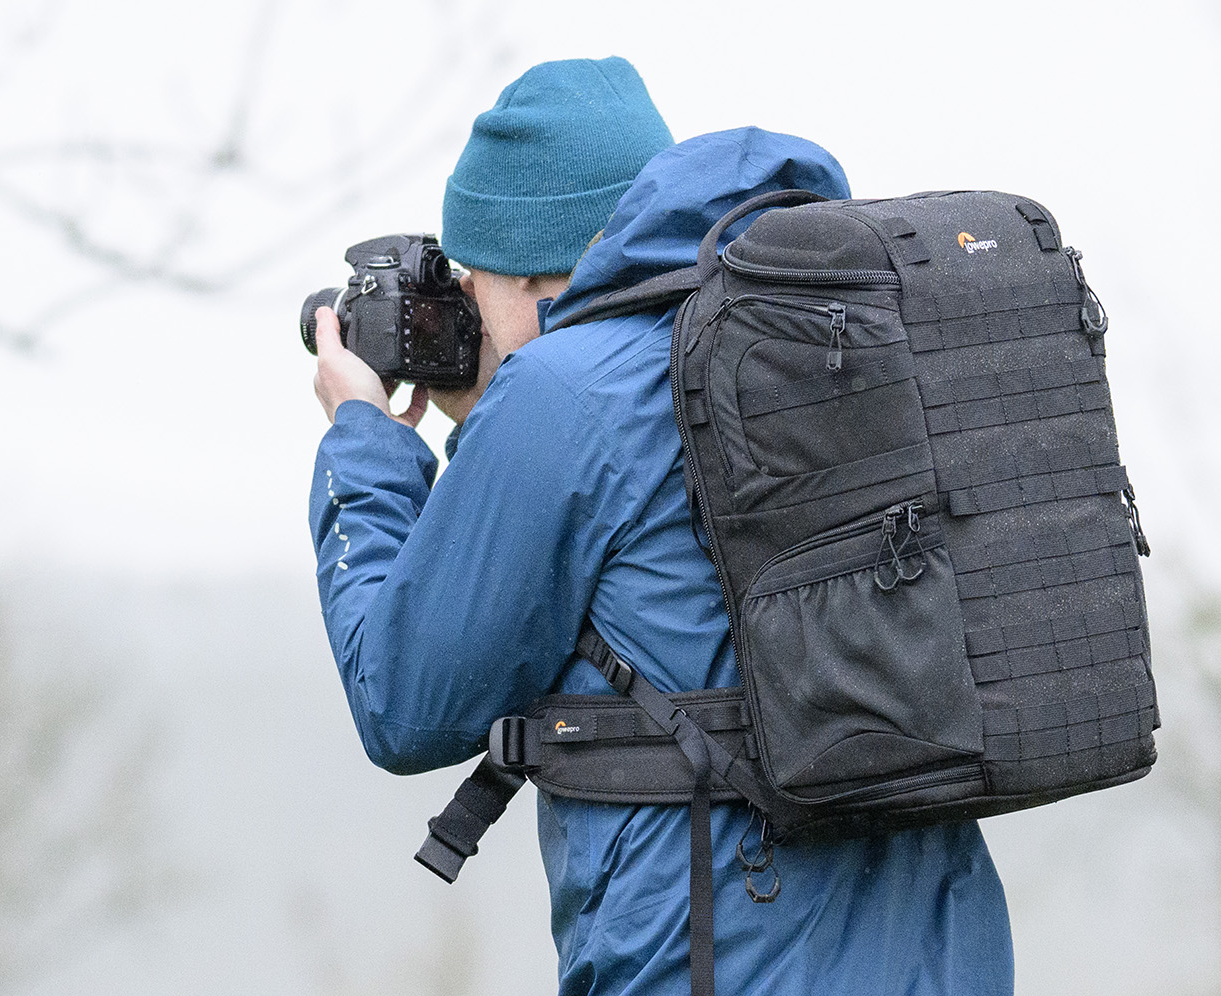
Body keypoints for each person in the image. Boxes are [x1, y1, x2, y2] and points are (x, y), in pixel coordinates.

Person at [310, 56, 1014, 995]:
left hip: (714, 962)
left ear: (525, 277)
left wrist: (367, 443)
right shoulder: (827, 352)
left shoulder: (561, 399)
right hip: (946, 954)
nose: (464, 317)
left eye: (470, 286)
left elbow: (401, 703)